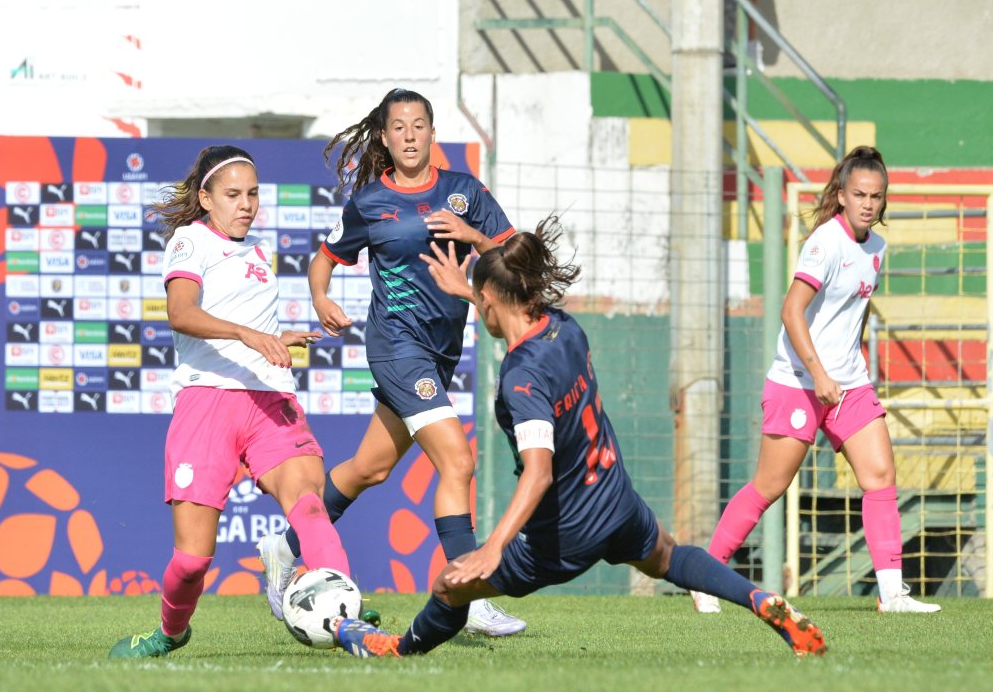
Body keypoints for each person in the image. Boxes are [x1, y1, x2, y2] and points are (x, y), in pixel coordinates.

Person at [326, 217, 828, 659]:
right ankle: (760, 600)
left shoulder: (521, 379)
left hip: (565, 532)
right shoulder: (564, 327)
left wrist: (494, 546)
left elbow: (540, 471)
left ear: (495, 300)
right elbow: (510, 286)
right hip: (615, 499)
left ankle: (396, 648)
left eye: (481, 301)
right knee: (671, 558)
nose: (479, 308)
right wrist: (474, 277)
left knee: (450, 586)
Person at [256, 88, 526, 636]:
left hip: (442, 351)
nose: (408, 135)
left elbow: (513, 255)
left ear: (432, 133)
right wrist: (321, 298)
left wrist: (474, 237)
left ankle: (282, 548)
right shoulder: (371, 202)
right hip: (396, 347)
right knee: (457, 462)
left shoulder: (463, 192)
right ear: (384, 136)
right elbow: (325, 258)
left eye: (419, 125)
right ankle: (468, 595)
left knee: (370, 468)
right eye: (398, 127)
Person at [109, 146, 351, 658]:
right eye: (233, 195)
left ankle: (343, 612)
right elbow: (181, 313)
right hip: (207, 401)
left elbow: (247, 326)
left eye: (254, 194)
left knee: (310, 505)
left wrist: (277, 337)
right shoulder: (190, 240)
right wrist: (247, 334)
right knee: (193, 560)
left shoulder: (260, 252)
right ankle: (170, 632)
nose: (247, 205)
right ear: (205, 198)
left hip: (269, 400)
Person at [692, 146, 941, 615]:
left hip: (848, 384)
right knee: (769, 486)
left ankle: (893, 595)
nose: (868, 203)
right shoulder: (825, 242)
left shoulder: (878, 249)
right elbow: (791, 311)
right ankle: (704, 575)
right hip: (798, 382)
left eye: (877, 196)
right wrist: (820, 374)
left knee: (881, 476)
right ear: (842, 196)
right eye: (859, 194)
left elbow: (856, 314)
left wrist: (850, 369)